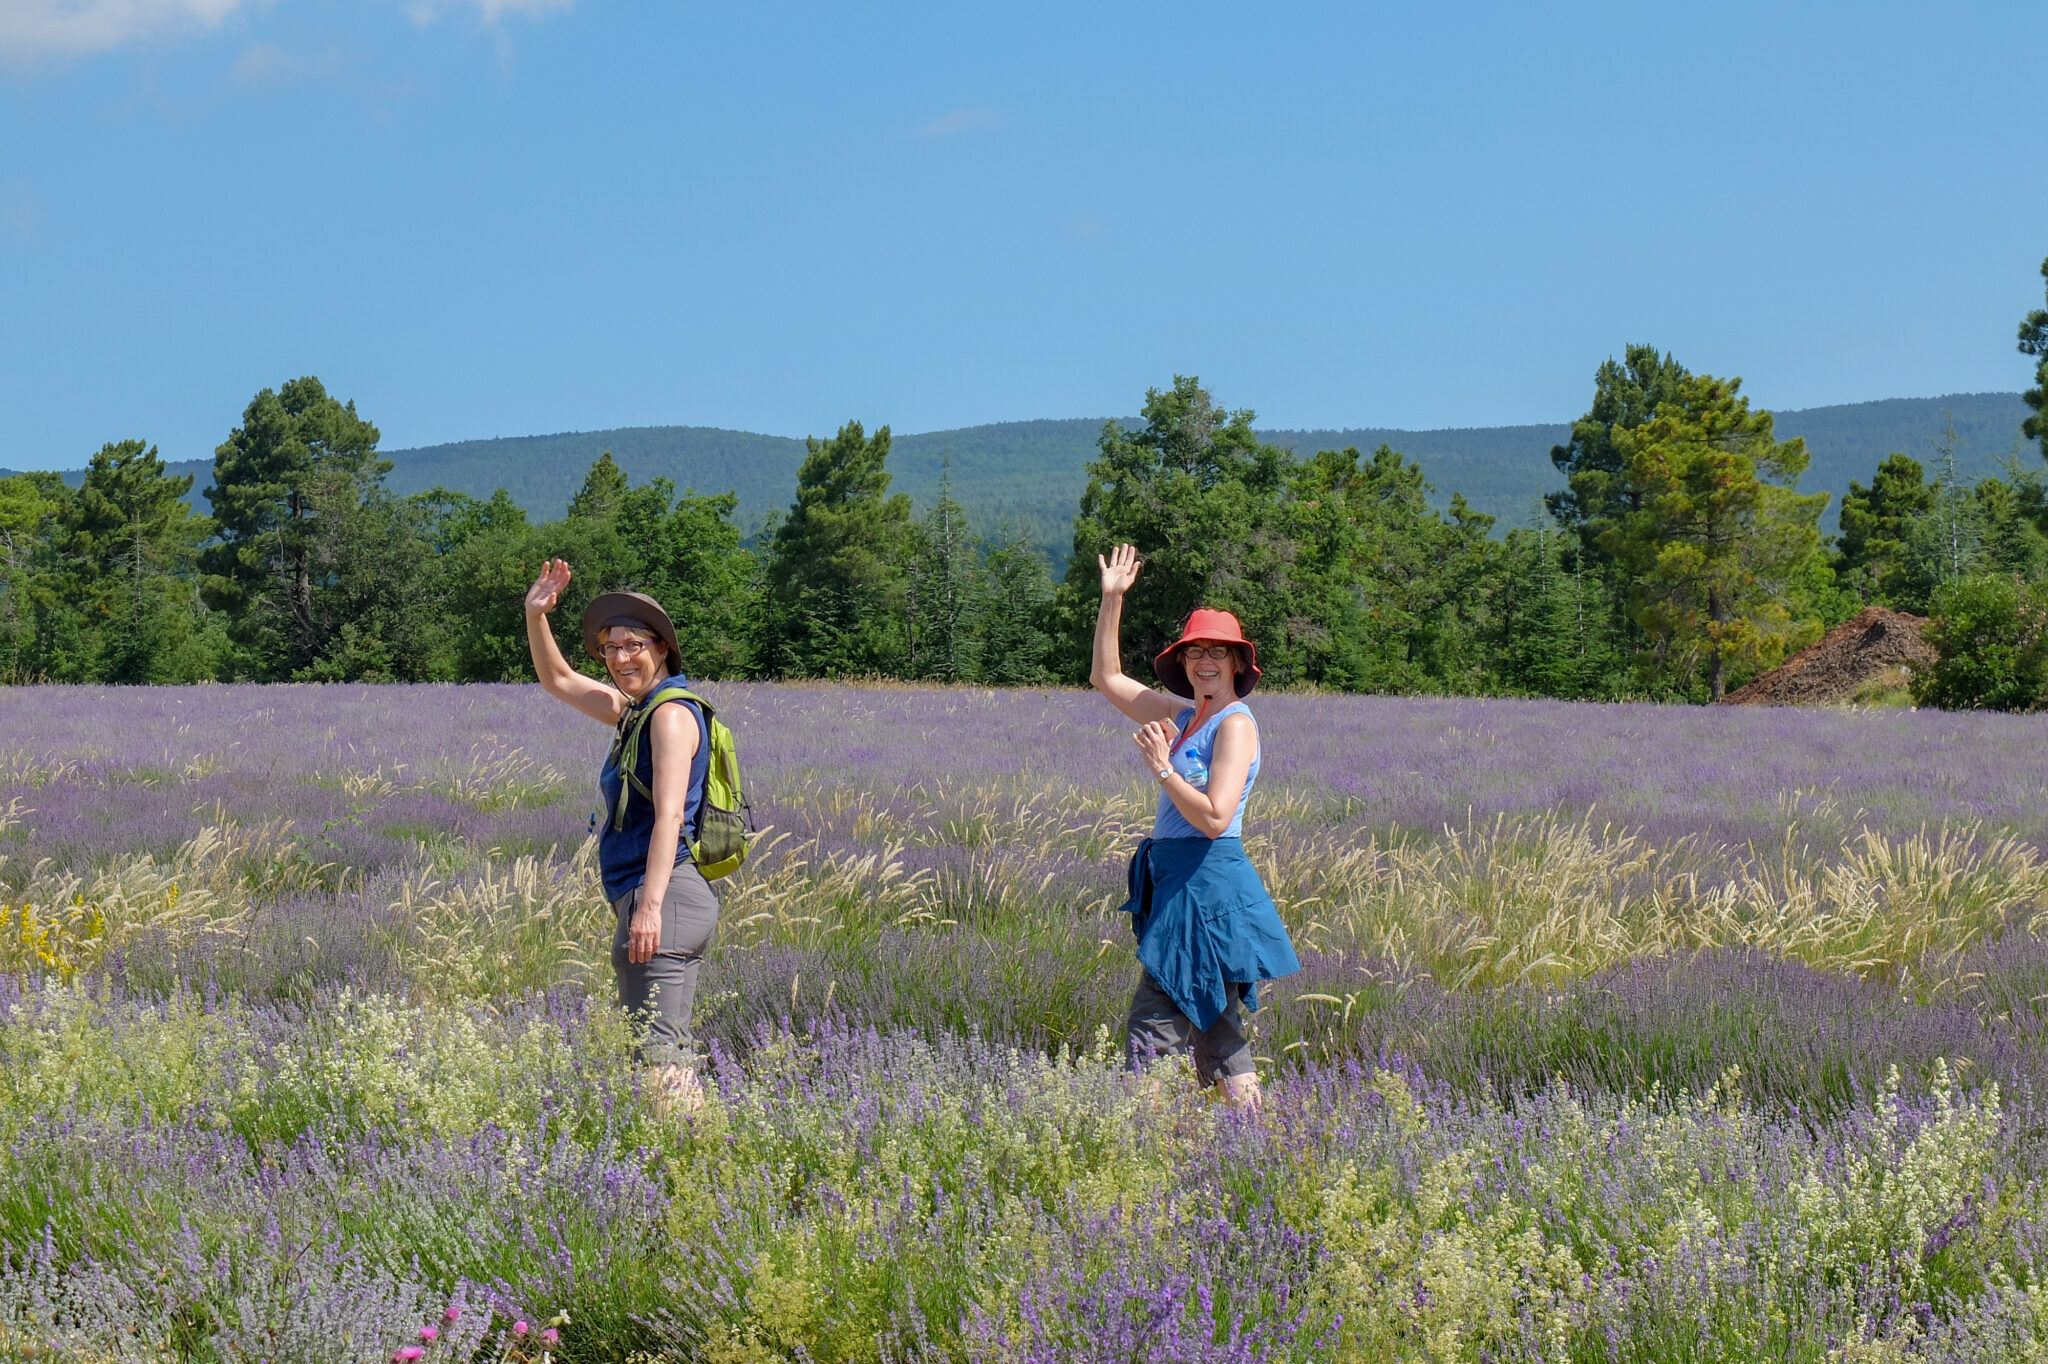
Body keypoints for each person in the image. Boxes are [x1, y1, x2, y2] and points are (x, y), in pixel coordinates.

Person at [1089, 543, 1301, 1109]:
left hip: (1206, 889)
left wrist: (1162, 769)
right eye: (1194, 652)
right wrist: (1113, 600)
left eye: (1217, 652)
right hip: (1178, 887)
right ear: (1182, 662)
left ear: (1236, 663)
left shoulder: (1235, 725)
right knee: (1216, 1028)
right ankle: (1256, 1143)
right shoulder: (1183, 715)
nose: (1204, 661)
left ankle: (1136, 1145)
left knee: (1152, 1030)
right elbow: (1107, 678)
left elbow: (1214, 818)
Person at [523, 559, 720, 1115]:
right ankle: (702, 1160)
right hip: (661, 897)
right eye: (609, 648)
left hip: (665, 897)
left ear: (661, 648)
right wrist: (536, 615)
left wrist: (650, 909)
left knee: (657, 1056)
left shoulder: (670, 716)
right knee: (664, 1050)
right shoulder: (636, 712)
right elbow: (557, 680)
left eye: (632, 644)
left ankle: (694, 1166)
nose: (619, 658)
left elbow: (669, 819)